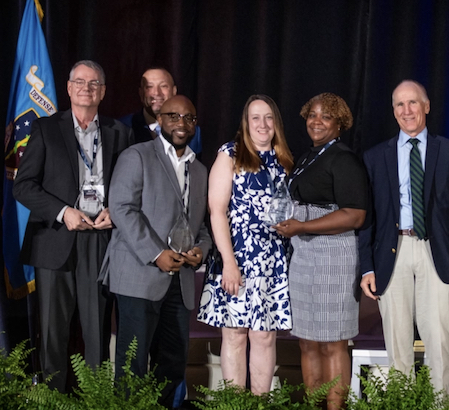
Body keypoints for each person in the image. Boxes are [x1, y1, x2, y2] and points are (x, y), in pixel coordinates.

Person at [13, 60, 134, 392]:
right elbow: (22, 186)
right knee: (52, 334)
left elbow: (130, 188)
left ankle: (96, 399)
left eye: (94, 83)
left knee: (96, 332)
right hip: (55, 241)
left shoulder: (119, 133)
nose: (86, 88)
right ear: (68, 88)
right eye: (79, 82)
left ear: (103, 91)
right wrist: (63, 211)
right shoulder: (45, 129)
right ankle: (52, 399)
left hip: (101, 240)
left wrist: (115, 209)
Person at [100, 95, 211, 408]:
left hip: (180, 279)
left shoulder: (200, 170)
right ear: (160, 120)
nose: (181, 123)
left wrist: (200, 251)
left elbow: (200, 226)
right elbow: (121, 209)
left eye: (188, 118)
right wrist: (156, 253)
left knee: (173, 363)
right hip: (139, 273)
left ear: (195, 125)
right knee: (132, 364)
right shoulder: (136, 155)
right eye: (173, 116)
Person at [358, 80, 449, 394]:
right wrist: (366, 266)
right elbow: (369, 217)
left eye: (413, 103)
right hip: (393, 252)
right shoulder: (376, 157)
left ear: (427, 106)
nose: (407, 111)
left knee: (440, 345)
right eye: (399, 105)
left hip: (437, 253)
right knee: (398, 345)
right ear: (393, 111)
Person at [274, 93, 368, 410]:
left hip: (334, 254)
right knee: (307, 341)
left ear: (339, 124)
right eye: (312, 115)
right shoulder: (307, 156)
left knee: (333, 343)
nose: (317, 121)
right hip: (303, 255)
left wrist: (302, 227)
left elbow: (355, 214)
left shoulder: (344, 158)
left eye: (325, 116)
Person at [197, 94, 294, 393]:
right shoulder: (230, 153)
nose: (262, 124)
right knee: (236, 333)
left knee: (265, 336)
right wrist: (229, 262)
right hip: (237, 257)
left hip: (273, 260)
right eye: (256, 117)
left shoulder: (285, 161)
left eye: (268, 117)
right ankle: (234, 403)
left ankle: (259, 403)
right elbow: (217, 210)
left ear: (275, 122)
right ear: (246, 122)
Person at [119, 67, 202, 156]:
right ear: (141, 93)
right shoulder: (123, 128)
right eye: (149, 87)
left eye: (163, 86)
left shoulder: (191, 130)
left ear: (174, 91)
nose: (157, 93)